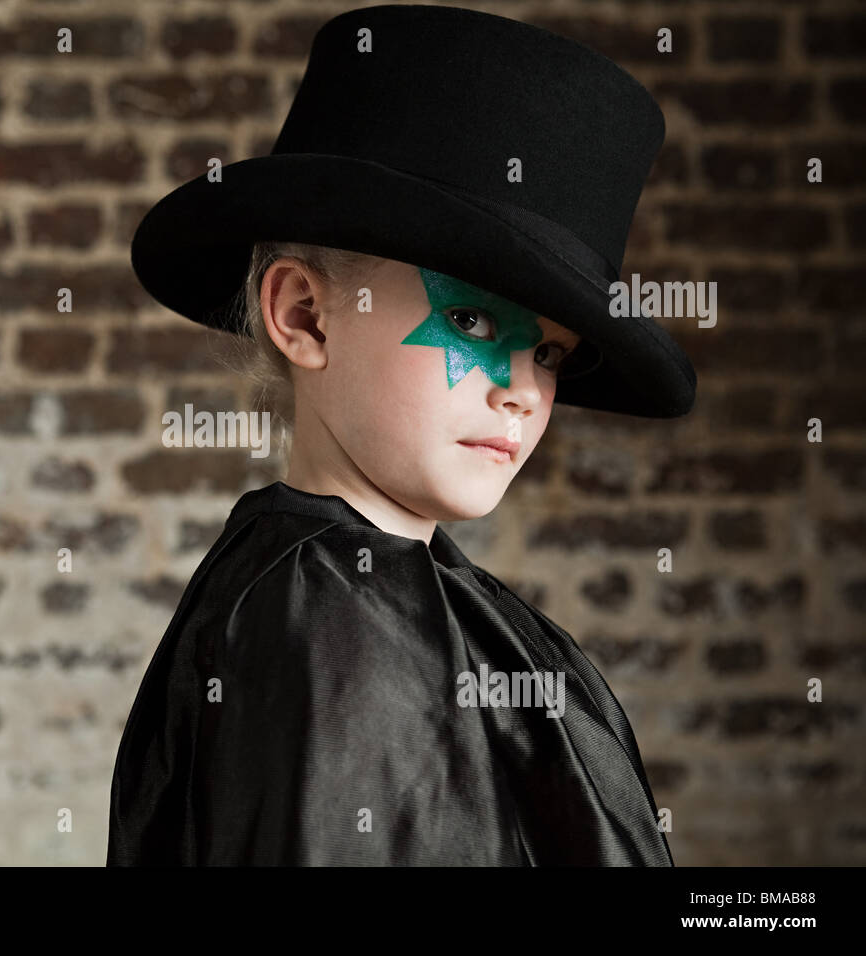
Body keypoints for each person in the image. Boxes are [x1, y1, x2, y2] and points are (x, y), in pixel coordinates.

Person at [108, 4, 695, 865]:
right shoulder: (327, 625)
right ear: (303, 314)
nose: (523, 392)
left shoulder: (422, 600)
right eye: (469, 318)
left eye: (550, 353)